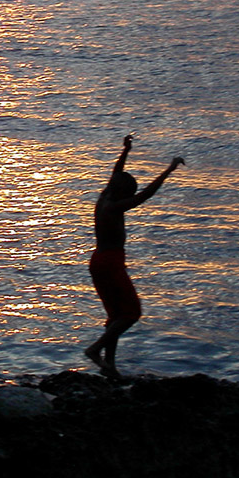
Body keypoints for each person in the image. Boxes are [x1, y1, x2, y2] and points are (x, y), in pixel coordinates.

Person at [85, 135, 185, 378]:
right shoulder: (113, 207)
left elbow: (116, 172)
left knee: (115, 316)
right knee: (131, 314)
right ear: (123, 193)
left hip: (99, 261)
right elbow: (145, 196)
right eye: (129, 192)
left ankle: (110, 365)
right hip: (110, 262)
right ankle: (95, 350)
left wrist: (126, 151)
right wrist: (168, 170)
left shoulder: (104, 198)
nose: (132, 196)